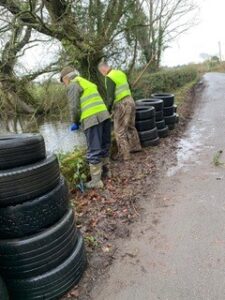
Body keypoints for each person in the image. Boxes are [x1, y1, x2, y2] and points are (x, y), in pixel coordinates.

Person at [60, 66, 111, 189]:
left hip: (91, 118)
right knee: (104, 145)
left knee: (93, 149)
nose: (64, 84)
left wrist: (75, 122)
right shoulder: (85, 81)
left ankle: (96, 181)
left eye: (63, 82)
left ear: (66, 77)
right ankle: (107, 172)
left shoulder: (72, 85)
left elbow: (74, 108)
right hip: (104, 115)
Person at [98, 62, 141, 161]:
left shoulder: (109, 77)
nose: (102, 74)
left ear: (103, 69)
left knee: (119, 131)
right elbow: (129, 86)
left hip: (122, 104)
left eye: (101, 72)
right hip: (130, 100)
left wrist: (107, 110)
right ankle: (136, 147)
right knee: (130, 126)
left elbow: (110, 97)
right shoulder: (120, 73)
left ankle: (124, 155)